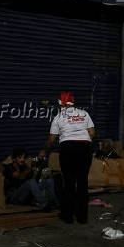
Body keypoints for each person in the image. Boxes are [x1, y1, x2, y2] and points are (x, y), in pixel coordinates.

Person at [39, 92, 95, 224]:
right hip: (85, 148)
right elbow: (92, 133)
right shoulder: (84, 113)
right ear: (73, 102)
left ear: (60, 103)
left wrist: (44, 150)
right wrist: (81, 140)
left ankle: (67, 216)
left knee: (68, 182)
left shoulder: (58, 117)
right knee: (82, 183)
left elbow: (52, 139)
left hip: (68, 148)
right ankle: (82, 217)